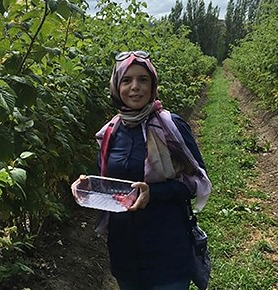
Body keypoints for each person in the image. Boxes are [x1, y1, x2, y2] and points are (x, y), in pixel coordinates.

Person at [74, 50, 211, 290]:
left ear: (153, 85)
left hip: (167, 247)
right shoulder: (110, 133)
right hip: (125, 249)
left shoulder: (170, 126)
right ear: (117, 87)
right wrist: (88, 185)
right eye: (127, 80)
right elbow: (109, 184)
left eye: (143, 79)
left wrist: (153, 194)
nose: (135, 87)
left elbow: (195, 180)